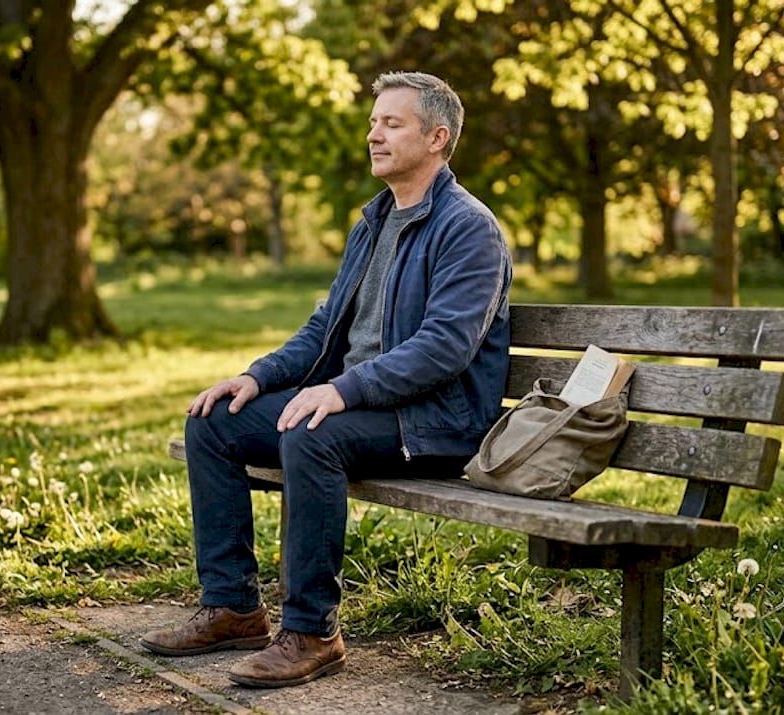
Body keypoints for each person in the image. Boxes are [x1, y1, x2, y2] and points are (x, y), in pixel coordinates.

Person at [140, 71, 513, 688]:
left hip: (438, 420)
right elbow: (324, 329)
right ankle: (233, 607)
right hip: (368, 406)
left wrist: (342, 390)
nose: (373, 134)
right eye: (373, 122)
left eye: (392, 123)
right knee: (212, 420)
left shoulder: (467, 227)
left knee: (312, 435)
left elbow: (444, 348)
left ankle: (313, 632)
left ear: (437, 138)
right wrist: (255, 378)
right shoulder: (373, 224)